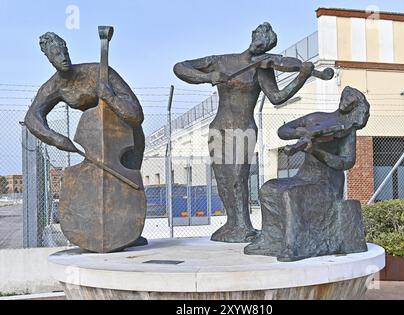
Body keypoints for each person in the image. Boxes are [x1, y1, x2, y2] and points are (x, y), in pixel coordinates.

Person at [173, 23, 317, 243]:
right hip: (219, 126)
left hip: (243, 127)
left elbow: (276, 97)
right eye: (260, 37)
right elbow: (180, 67)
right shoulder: (221, 61)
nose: (261, 44)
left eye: (266, 43)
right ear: (253, 36)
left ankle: (243, 225)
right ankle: (232, 223)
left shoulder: (262, 67)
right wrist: (208, 77)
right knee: (222, 178)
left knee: (238, 177)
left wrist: (301, 77)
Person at [244, 86, 370, 261]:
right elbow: (283, 130)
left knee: (291, 194)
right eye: (347, 97)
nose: (347, 101)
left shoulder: (347, 129)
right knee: (268, 188)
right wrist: (302, 132)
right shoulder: (316, 117)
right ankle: (270, 239)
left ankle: (294, 245)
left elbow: (347, 162)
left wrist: (316, 151)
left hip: (326, 183)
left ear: (355, 107)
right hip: (303, 176)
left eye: (352, 101)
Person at [24, 32, 145, 170]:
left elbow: (136, 115)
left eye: (65, 53)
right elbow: (31, 118)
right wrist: (56, 139)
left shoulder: (99, 71)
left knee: (127, 185)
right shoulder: (54, 86)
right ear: (50, 59)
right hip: (97, 141)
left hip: (127, 139)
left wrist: (110, 97)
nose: (63, 58)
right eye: (57, 55)